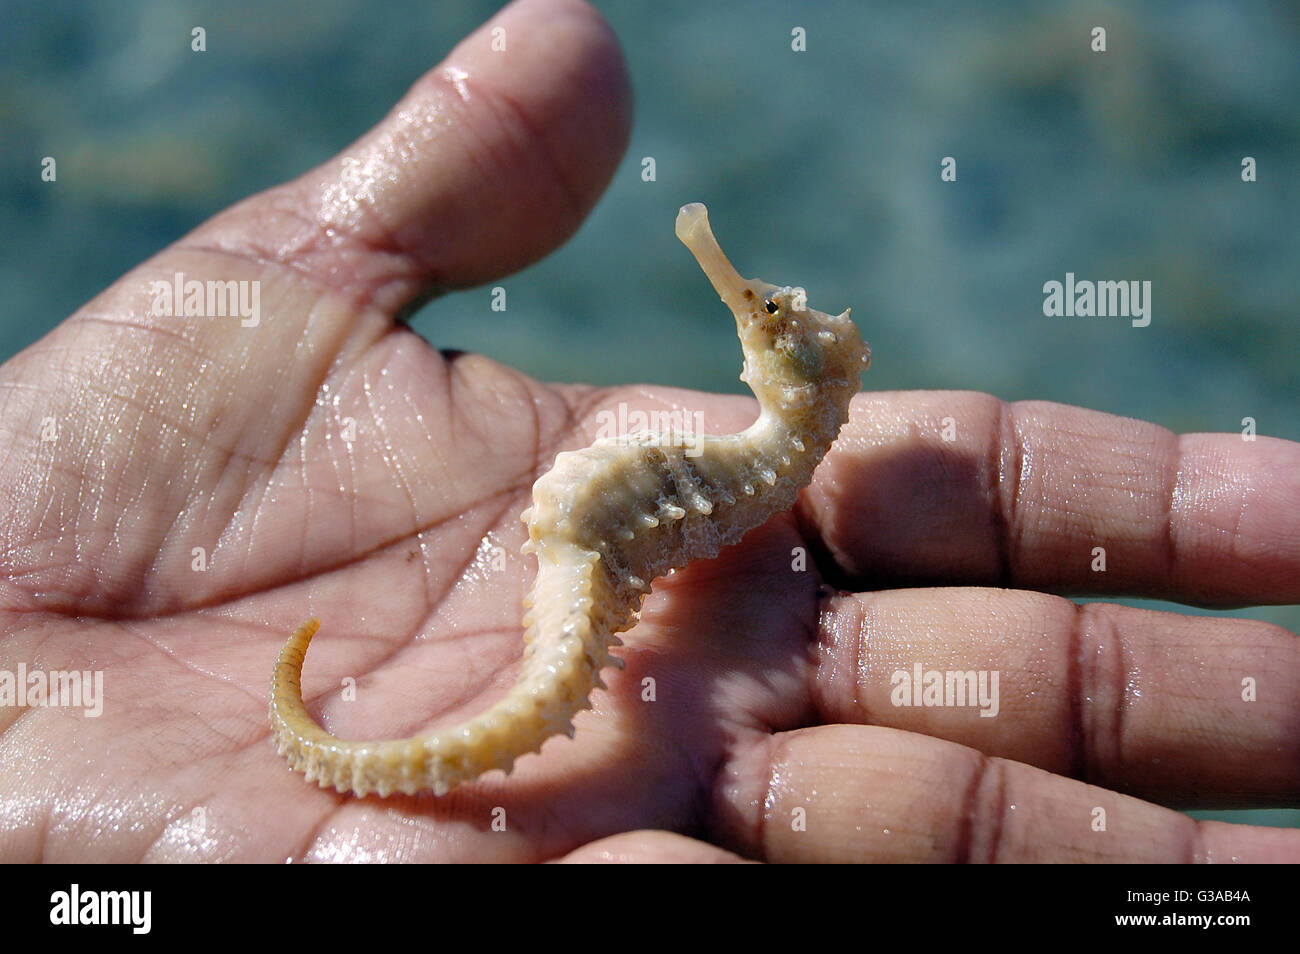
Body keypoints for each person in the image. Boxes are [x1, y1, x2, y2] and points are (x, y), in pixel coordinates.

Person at [1, 0, 1295, 863]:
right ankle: (339, 732)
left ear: (797, 365)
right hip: (604, 540)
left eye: (769, 311)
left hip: (605, 540)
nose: (746, 294)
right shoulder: (765, 456)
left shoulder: (768, 456)